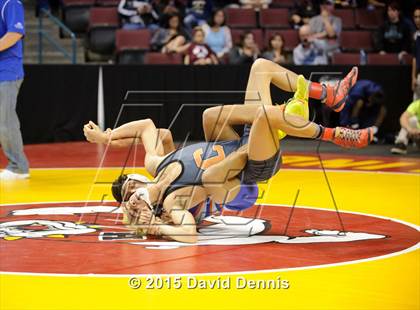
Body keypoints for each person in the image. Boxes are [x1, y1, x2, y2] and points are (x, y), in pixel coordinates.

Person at [84, 59, 372, 243]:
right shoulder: (174, 202)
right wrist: (156, 227)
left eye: (130, 188)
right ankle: (336, 134)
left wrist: (107, 137)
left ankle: (327, 94)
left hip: (237, 145)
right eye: (130, 197)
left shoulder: (155, 163)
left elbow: (148, 126)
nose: (132, 192)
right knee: (264, 118)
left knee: (256, 71)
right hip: (251, 167)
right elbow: (188, 233)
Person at [0, 0, 29, 180]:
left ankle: (18, 166)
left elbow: (14, 33)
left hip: (7, 72)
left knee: (5, 119)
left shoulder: (10, 3)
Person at [411, 7, 420, 100]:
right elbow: (415, 58)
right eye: (416, 17)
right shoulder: (415, 36)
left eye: (419, 17)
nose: (417, 20)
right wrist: (413, 77)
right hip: (419, 77)